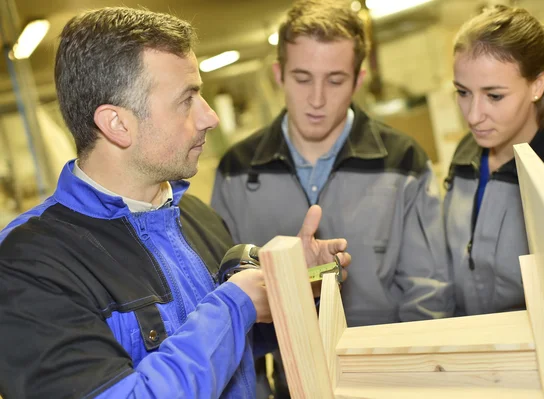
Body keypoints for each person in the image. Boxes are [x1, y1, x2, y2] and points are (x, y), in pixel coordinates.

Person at [0, 7, 351, 398]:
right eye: (187, 100)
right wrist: (235, 304)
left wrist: (290, 287)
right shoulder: (28, 263)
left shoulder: (193, 216)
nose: (210, 118)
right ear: (117, 124)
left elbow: (240, 354)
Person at [211, 1, 454, 396]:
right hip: (289, 384)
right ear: (279, 75)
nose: (318, 99)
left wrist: (417, 384)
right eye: (303, 78)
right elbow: (223, 295)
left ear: (359, 79)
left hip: (389, 383)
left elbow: (429, 295)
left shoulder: (404, 162)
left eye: (335, 80)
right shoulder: (236, 170)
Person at [444, 5, 544, 317]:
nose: (474, 116)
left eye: (495, 96)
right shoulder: (465, 153)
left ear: (537, 85)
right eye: (463, 92)